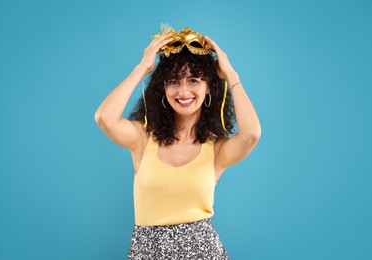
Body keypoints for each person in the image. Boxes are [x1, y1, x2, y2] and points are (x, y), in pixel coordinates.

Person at [94, 25, 261, 259]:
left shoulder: (217, 149)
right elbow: (104, 118)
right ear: (163, 88)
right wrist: (142, 68)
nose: (183, 91)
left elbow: (252, 133)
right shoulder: (143, 139)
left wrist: (231, 74)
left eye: (193, 80)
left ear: (208, 87)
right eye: (174, 81)